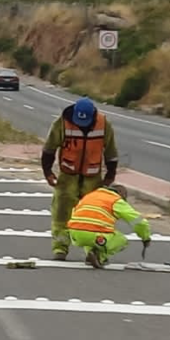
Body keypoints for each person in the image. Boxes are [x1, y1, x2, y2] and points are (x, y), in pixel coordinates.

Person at [43, 97, 119, 260]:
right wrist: (48, 172)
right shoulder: (62, 123)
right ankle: (60, 248)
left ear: (93, 116)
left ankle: (93, 250)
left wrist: (110, 175)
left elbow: (111, 152)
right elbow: (49, 149)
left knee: (93, 215)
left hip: (92, 178)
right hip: (67, 177)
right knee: (61, 214)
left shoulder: (104, 124)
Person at [66, 184, 152, 268]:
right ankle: (100, 256)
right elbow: (139, 222)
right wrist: (145, 237)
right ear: (122, 195)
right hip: (95, 234)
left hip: (75, 233)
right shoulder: (116, 200)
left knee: (90, 238)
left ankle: (90, 254)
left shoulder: (90, 196)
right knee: (121, 241)